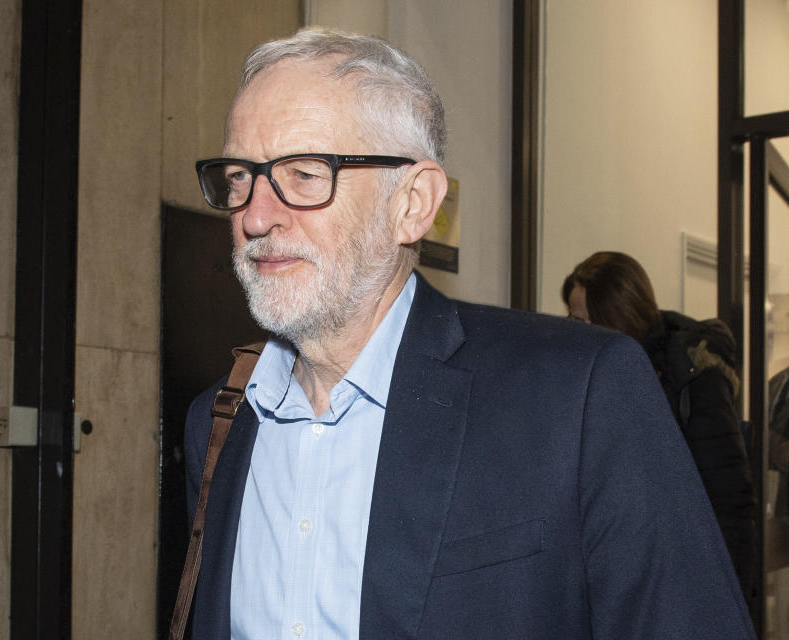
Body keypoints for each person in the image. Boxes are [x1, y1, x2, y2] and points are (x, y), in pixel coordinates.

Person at [183, 29, 755, 638]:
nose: (254, 215)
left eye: (302, 174)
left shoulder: (577, 397)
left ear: (413, 203)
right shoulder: (218, 423)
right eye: (239, 175)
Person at [562, 250, 756, 600]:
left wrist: (730, 601)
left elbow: (729, 498)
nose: (579, 332)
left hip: (678, 576)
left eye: (590, 321)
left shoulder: (693, 376)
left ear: (619, 317)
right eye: (575, 320)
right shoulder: (594, 376)